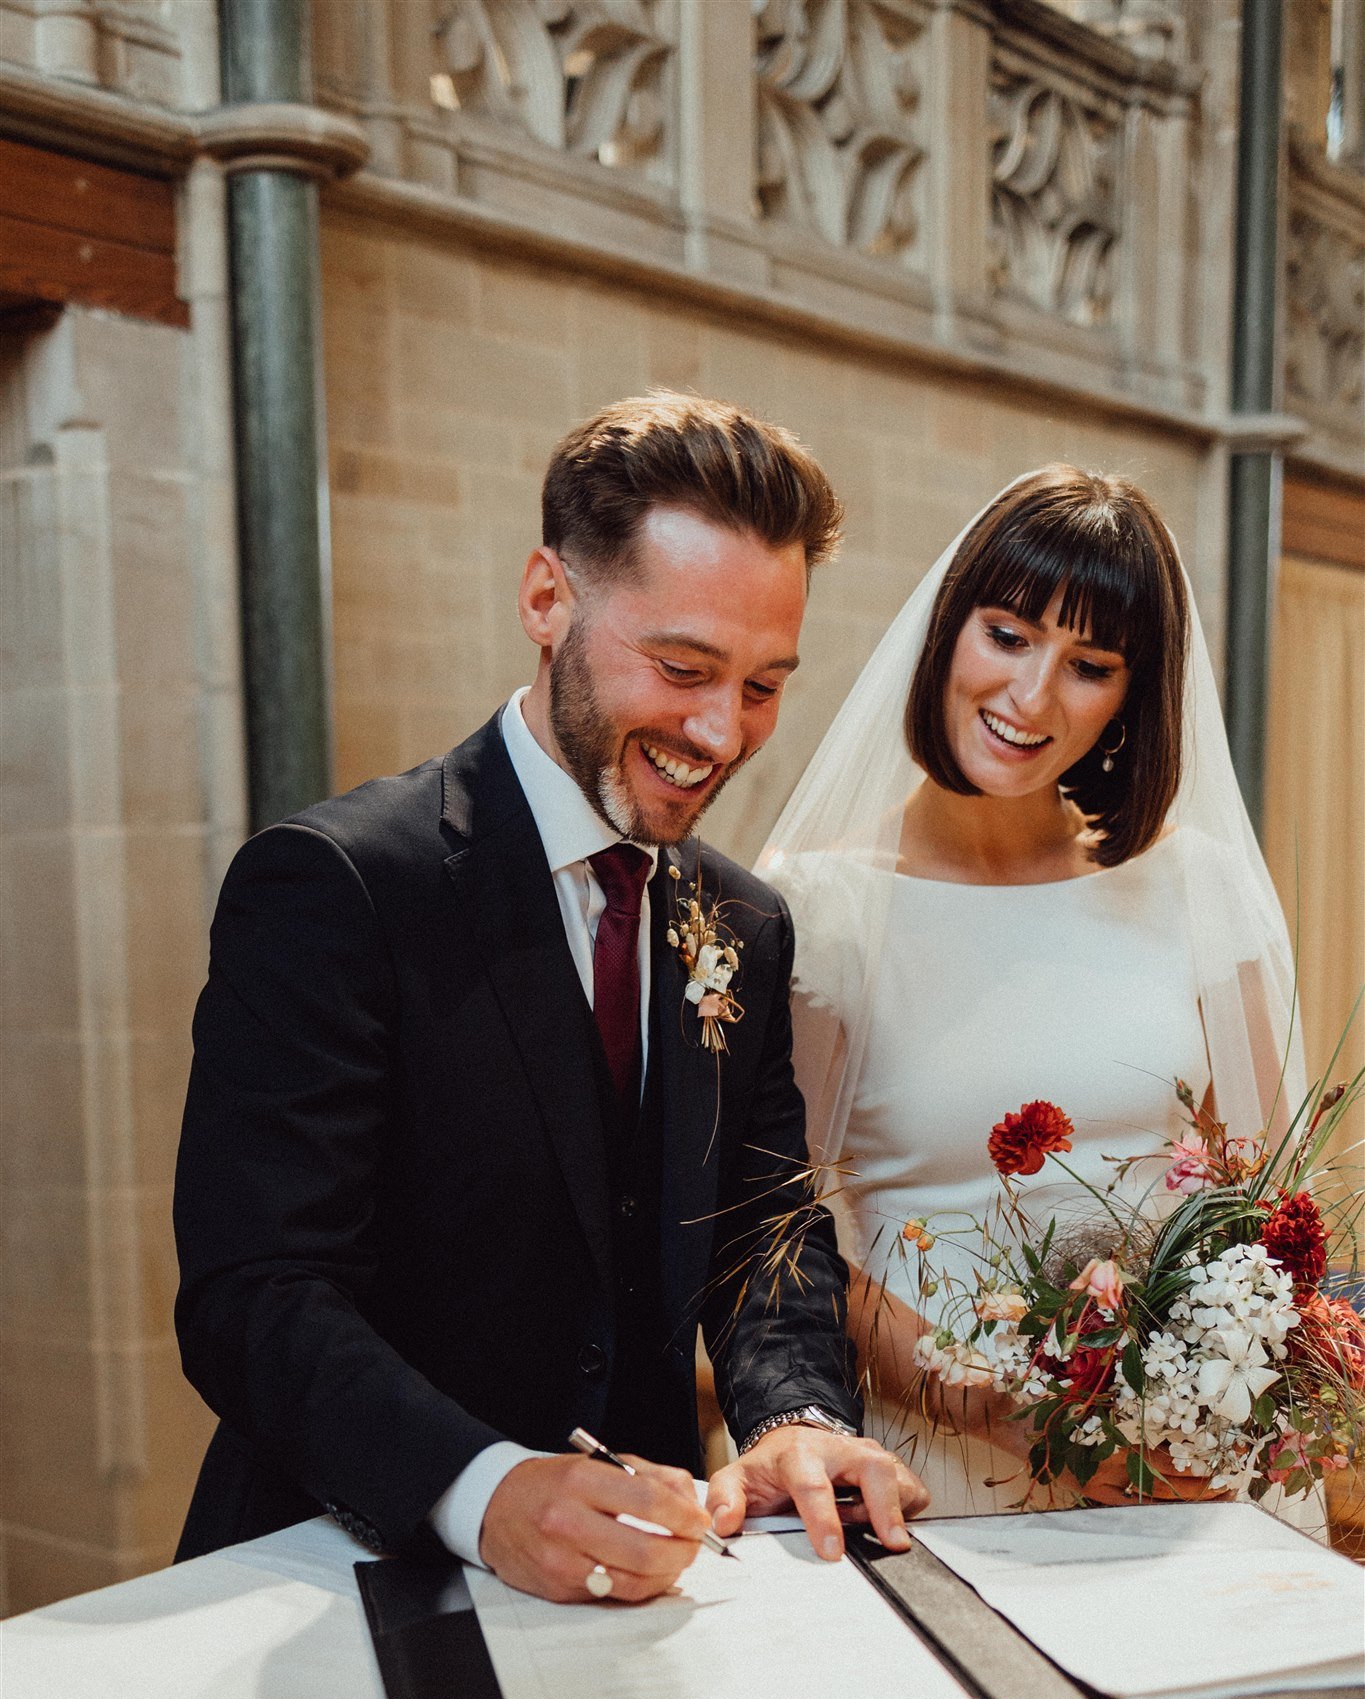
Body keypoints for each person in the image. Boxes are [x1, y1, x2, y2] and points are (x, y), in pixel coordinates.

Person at [172, 391, 926, 1602]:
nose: (720, 731)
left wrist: (792, 1410)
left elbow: (761, 1225)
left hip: (642, 1582)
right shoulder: (341, 883)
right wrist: (482, 1486)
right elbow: (252, 1293)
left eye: (764, 683)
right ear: (545, 599)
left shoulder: (745, 919)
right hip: (342, 1569)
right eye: (682, 666)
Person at [760, 466, 1306, 1515]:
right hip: (943, 1466)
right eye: (1007, 634)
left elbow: (1267, 1217)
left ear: (1132, 696)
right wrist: (999, 1401)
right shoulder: (822, 912)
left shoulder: (1196, 889)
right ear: (946, 630)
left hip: (1172, 1455)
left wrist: (1181, 1399)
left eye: (1089, 664)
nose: (1031, 696)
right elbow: (786, 1241)